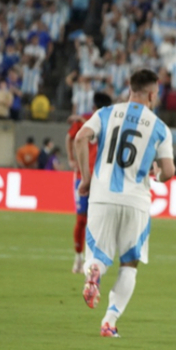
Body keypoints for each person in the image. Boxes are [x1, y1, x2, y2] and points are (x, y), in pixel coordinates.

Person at [74, 69, 175, 337]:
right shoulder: (159, 127)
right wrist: (158, 174)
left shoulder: (106, 113)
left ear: (130, 88)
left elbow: (80, 137)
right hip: (136, 201)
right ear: (153, 94)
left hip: (102, 195)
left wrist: (85, 178)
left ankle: (94, 272)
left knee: (97, 255)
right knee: (129, 263)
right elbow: (169, 170)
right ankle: (109, 321)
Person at [66, 92, 113, 274]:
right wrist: (71, 158)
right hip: (83, 175)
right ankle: (78, 257)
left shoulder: (111, 122)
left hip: (103, 177)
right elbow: (70, 137)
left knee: (102, 219)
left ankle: (95, 259)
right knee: (81, 219)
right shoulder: (84, 120)